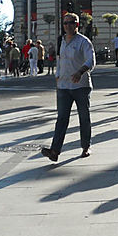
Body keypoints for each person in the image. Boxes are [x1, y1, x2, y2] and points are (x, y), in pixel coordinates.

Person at [41, 13, 95, 161]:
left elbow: (91, 60)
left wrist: (80, 71)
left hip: (81, 86)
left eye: (71, 23)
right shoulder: (61, 41)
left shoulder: (84, 42)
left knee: (84, 117)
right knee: (62, 118)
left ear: (77, 25)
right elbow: (60, 60)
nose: (68, 26)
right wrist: (57, 76)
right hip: (63, 86)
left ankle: (85, 146)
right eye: (65, 23)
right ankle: (55, 151)